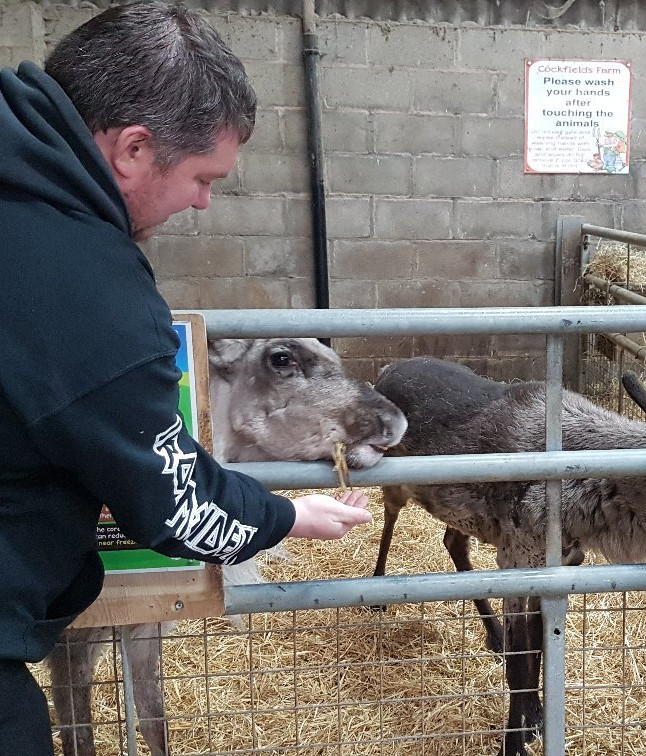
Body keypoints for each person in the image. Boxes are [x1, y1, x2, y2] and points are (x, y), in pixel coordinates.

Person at [0, 3, 372, 752]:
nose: (203, 202)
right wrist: (289, 517)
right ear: (134, 148)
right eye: (203, 177)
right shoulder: (90, 293)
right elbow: (174, 504)